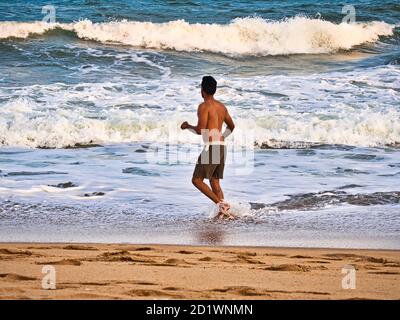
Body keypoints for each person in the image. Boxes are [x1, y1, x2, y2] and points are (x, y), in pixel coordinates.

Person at [181, 76, 235, 219]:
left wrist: (187, 126)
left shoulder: (204, 106)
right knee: (214, 182)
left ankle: (221, 205)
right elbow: (232, 126)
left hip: (211, 147)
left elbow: (200, 130)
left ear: (202, 90)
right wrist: (222, 136)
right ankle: (223, 214)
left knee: (196, 180)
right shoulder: (222, 107)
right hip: (222, 146)